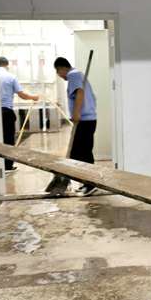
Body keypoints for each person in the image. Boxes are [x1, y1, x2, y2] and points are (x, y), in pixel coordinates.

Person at [54, 57, 98, 196]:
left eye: (58, 72)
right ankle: (86, 182)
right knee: (80, 152)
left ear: (61, 68)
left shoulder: (73, 75)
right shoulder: (78, 74)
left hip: (84, 120)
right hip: (88, 119)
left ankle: (90, 184)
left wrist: (76, 113)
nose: (59, 76)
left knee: (81, 153)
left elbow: (80, 93)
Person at [0, 57, 39, 172]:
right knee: (8, 139)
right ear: (7, 65)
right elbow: (22, 95)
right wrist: (34, 97)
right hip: (6, 111)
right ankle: (7, 166)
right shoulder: (10, 77)